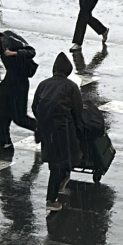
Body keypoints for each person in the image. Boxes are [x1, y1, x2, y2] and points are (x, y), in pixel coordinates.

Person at [32, 52, 82, 212]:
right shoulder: (71, 87)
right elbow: (77, 111)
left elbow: (34, 107)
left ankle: (60, 183)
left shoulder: (43, 84)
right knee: (59, 164)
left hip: (46, 129)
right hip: (62, 130)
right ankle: (51, 199)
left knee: (54, 162)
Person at [0, 31, 39, 157]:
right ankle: (5, 145)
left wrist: (15, 53)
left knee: (19, 117)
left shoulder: (16, 45)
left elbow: (31, 51)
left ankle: (39, 128)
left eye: (3, 41)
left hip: (19, 86)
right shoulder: (2, 42)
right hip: (8, 84)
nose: (1, 44)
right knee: (1, 117)